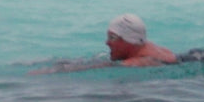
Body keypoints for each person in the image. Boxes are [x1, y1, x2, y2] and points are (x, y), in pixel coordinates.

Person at [30, 13, 176, 74]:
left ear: (128, 40)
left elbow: (100, 66)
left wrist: (56, 71)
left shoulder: (141, 61)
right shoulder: (145, 45)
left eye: (112, 38)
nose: (107, 43)